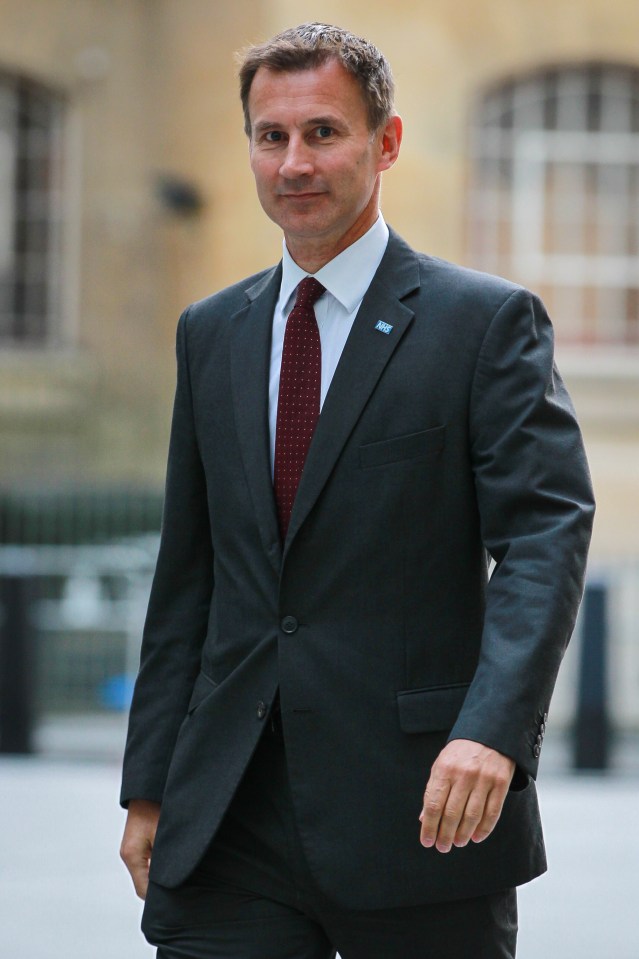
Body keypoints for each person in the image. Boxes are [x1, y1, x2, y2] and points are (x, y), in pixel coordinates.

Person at [120, 21, 595, 959]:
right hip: (229, 820)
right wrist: (150, 783)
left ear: (384, 143)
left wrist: (490, 733)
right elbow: (189, 575)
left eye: (322, 133)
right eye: (270, 136)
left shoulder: (483, 324)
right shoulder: (210, 332)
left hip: (422, 808)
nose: (293, 161)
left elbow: (544, 536)